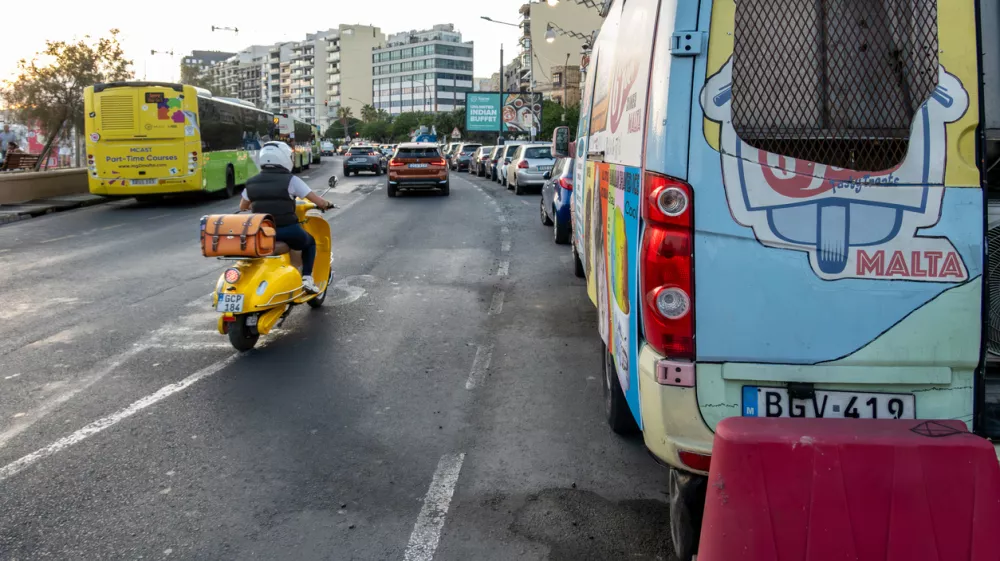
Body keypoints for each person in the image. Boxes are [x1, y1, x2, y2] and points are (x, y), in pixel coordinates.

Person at [239, 142, 332, 293]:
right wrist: (326, 204)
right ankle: (307, 278)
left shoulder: (251, 182)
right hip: (287, 230)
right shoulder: (291, 180)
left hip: (262, 231)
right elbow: (317, 201)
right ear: (284, 158)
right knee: (310, 242)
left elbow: (243, 206)